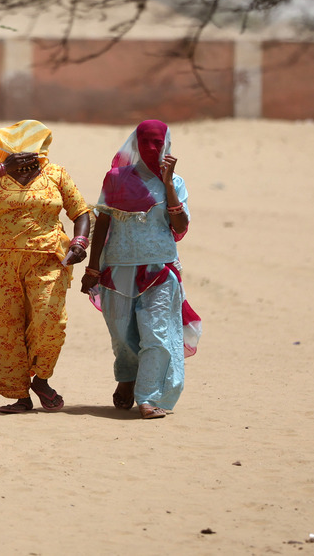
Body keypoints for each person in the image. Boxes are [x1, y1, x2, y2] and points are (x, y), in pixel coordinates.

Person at [0, 120, 92, 414]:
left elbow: (81, 212)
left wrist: (80, 242)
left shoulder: (55, 174)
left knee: (50, 320)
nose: (30, 154)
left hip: (46, 259)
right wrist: (1, 168)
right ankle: (19, 393)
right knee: (4, 329)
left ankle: (43, 378)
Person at [79, 120, 202, 420]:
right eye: (145, 142)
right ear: (135, 144)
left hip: (159, 269)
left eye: (158, 143)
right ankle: (127, 377)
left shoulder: (176, 182)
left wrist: (168, 183)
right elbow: (104, 222)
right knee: (122, 335)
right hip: (118, 269)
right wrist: (93, 269)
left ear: (167, 146)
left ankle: (147, 397)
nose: (151, 149)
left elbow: (180, 226)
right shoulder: (116, 179)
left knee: (156, 334)